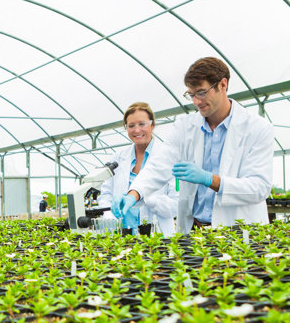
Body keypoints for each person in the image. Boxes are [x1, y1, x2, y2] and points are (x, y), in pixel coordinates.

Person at [116, 57, 274, 232]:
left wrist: (210, 179)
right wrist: (134, 192)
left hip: (238, 230)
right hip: (193, 231)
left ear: (223, 84)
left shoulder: (257, 128)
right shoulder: (185, 127)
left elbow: (259, 188)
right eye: (191, 95)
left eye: (202, 92)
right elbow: (159, 165)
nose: (197, 101)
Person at [98, 102, 178, 236]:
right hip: (123, 235)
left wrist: (143, 197)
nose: (136, 130)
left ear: (152, 125)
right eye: (131, 126)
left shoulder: (169, 157)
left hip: (158, 236)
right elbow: (105, 194)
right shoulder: (117, 159)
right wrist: (109, 215)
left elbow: (176, 205)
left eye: (142, 124)